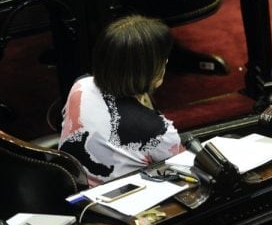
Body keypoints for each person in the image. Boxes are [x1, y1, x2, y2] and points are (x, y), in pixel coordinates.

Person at [59, 15, 184, 186]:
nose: (166, 61)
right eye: (162, 59)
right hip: (126, 205)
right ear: (148, 71)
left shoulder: (80, 86)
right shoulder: (160, 131)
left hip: (70, 188)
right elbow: (183, 177)